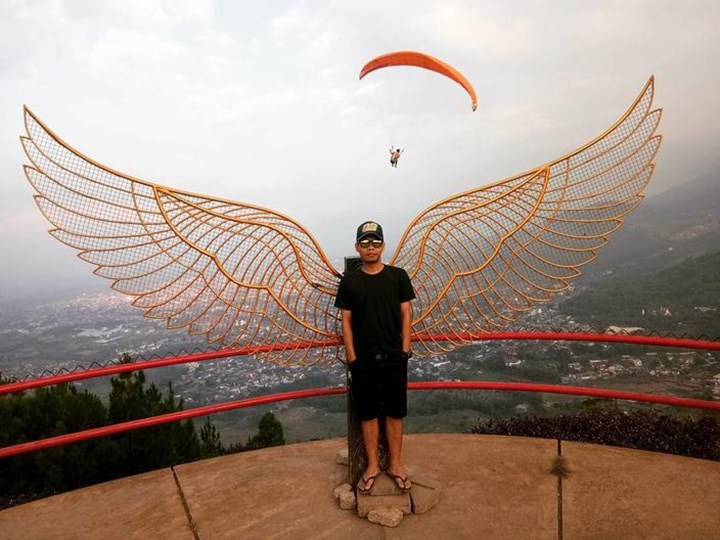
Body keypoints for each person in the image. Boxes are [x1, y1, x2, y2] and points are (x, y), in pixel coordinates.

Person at [334, 220, 416, 494]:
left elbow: (406, 314)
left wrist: (405, 350)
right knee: (367, 414)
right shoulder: (350, 280)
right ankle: (372, 466)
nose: (371, 247)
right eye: (365, 243)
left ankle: (396, 464)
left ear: (383, 245)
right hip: (363, 361)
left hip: (394, 357)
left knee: (395, 413)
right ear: (357, 247)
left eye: (376, 242)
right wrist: (352, 357)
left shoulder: (398, 276)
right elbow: (346, 320)